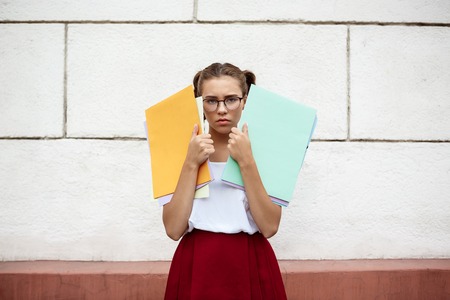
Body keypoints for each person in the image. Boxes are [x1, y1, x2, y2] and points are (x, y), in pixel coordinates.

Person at [163, 62, 287, 299]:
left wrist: (246, 161)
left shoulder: (266, 150)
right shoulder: (182, 148)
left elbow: (270, 227)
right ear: (200, 102)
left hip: (251, 261)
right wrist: (190, 164)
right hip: (195, 263)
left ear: (245, 100)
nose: (221, 109)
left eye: (231, 99)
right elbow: (172, 229)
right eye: (211, 100)